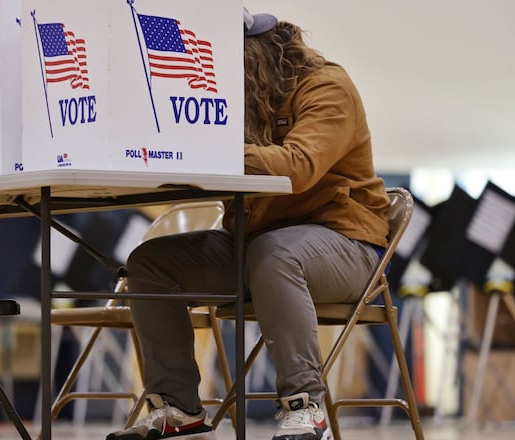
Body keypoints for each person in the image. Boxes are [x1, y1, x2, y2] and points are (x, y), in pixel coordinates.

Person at [106, 7, 390, 440]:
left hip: (345, 247)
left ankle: (305, 405)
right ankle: (178, 408)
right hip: (256, 246)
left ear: (257, 55)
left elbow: (298, 168)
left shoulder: (327, 86)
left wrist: (212, 144)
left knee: (273, 254)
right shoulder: (239, 99)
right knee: (149, 263)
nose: (215, 76)